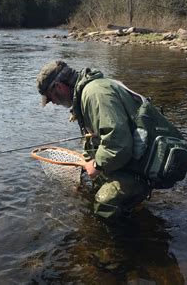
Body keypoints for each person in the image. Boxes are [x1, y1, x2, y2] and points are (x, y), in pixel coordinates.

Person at [36, 60, 152, 219]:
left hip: (142, 168)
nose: (54, 103)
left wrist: (97, 164)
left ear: (59, 87)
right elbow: (99, 140)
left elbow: (119, 144)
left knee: (103, 205)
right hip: (132, 159)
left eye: (51, 98)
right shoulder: (85, 93)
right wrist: (86, 164)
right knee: (96, 184)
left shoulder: (94, 95)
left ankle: (119, 241)